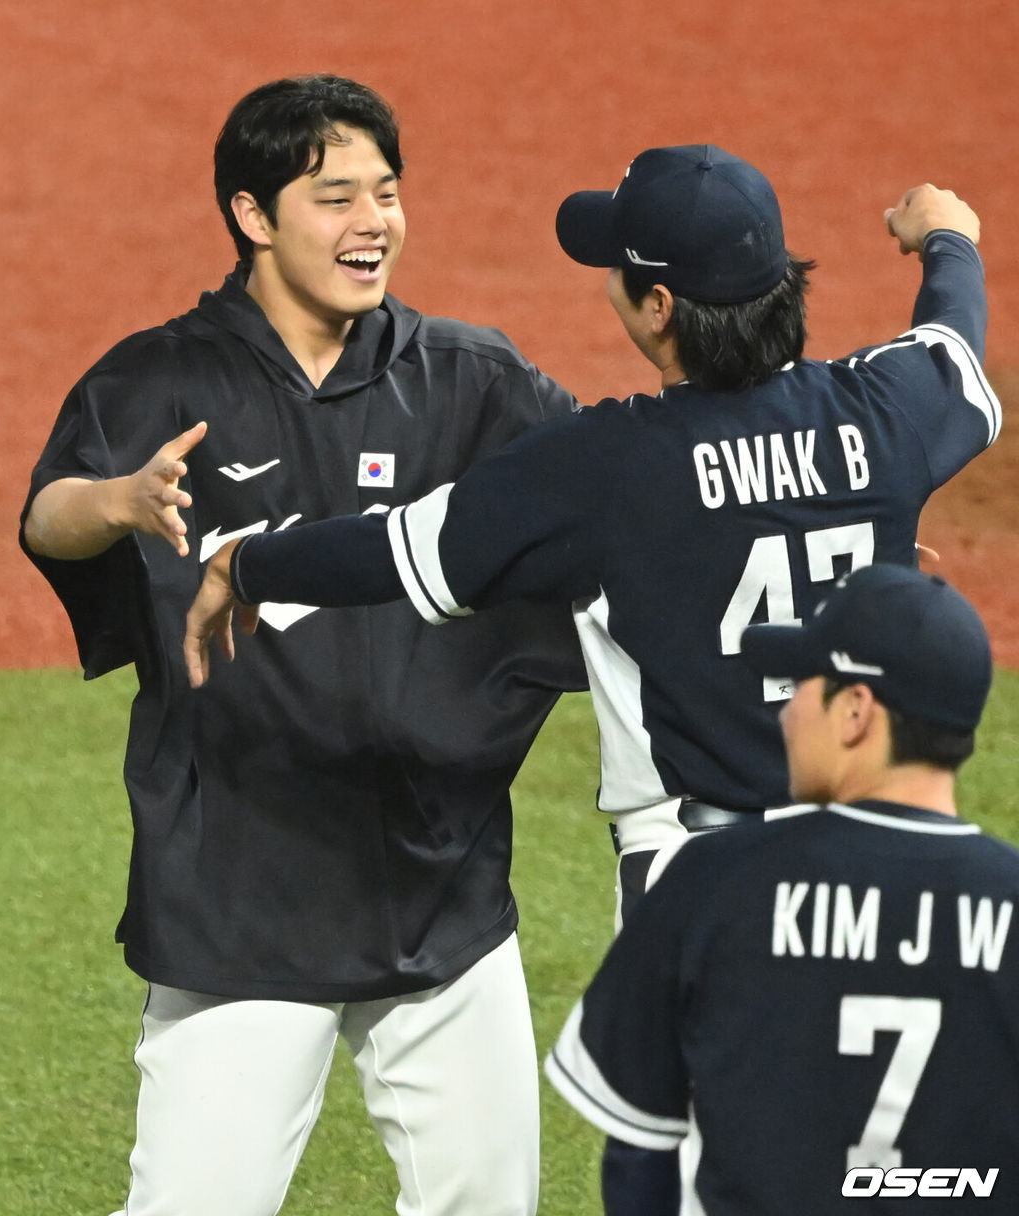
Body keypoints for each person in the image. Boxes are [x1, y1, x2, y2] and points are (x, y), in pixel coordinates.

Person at [184, 145, 1002, 1212]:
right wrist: (948, 238)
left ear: (657, 306)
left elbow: (395, 549)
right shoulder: (886, 411)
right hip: (889, 867)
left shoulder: (605, 462)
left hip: (702, 886)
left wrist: (245, 561)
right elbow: (953, 341)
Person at [20, 74, 588, 1216]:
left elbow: (615, 489)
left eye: (386, 192)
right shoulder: (163, 376)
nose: (372, 221)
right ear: (253, 215)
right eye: (334, 197)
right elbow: (48, 514)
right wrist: (122, 501)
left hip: (442, 888)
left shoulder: (473, 383)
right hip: (240, 895)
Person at [545, 563, 1019, 1214]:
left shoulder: (708, 884)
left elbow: (639, 1148)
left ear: (855, 712)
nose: (786, 712)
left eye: (802, 685)